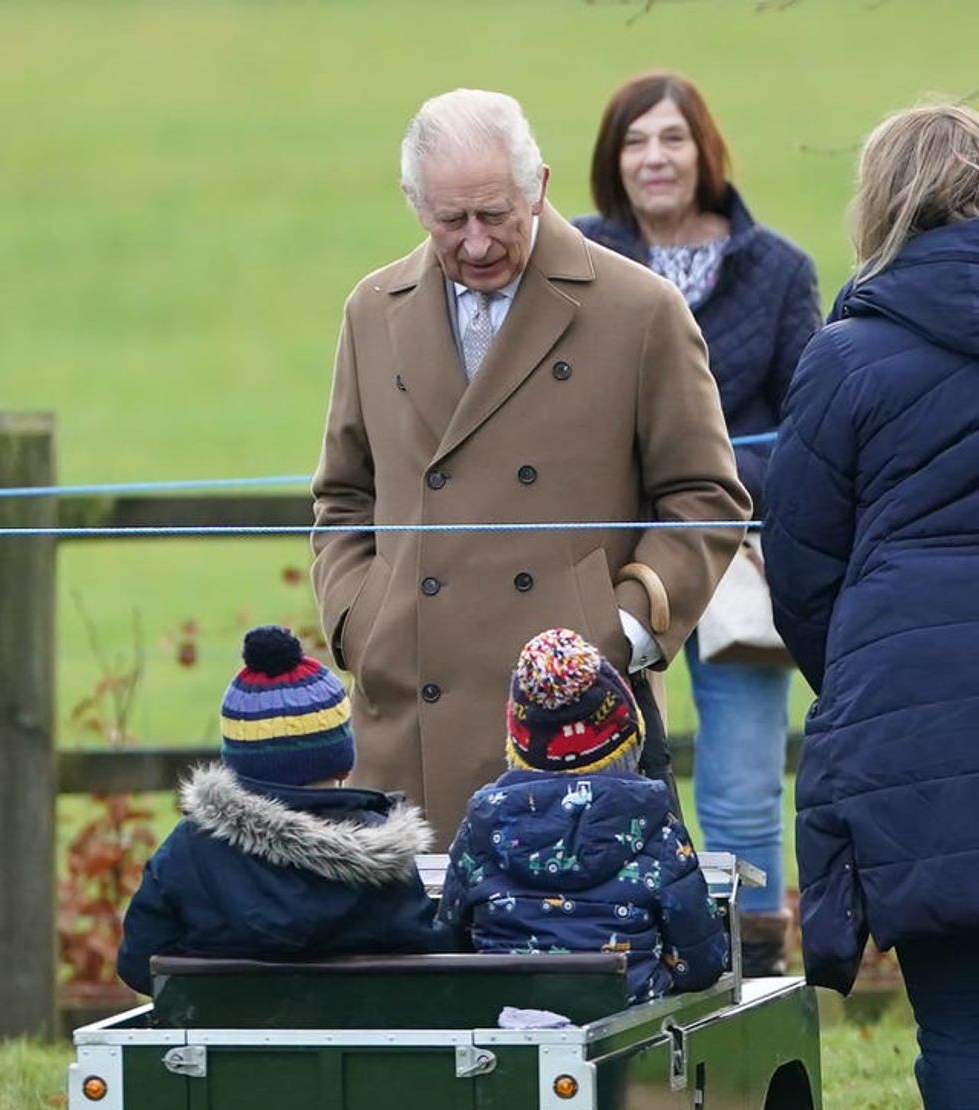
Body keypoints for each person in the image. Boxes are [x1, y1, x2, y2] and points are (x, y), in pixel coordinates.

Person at [310, 87, 751, 851]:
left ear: (538, 187)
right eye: (451, 221)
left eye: (495, 215)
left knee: (564, 924)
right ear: (414, 202)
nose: (477, 244)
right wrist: (362, 620)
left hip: (575, 719)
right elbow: (345, 496)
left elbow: (705, 496)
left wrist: (619, 631)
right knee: (416, 927)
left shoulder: (639, 309)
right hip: (408, 718)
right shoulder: (372, 310)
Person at [762, 103, 979, 1110]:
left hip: (910, 707)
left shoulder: (845, 356)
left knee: (958, 1025)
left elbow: (799, 567)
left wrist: (862, 687)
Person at [573, 73, 822, 977]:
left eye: (672, 138)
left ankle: (750, 981)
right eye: (636, 140)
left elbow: (808, 430)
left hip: (737, 563)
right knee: (597, 776)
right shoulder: (572, 258)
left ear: (705, 150)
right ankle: (615, 962)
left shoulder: (781, 271)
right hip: (606, 561)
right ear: (613, 160)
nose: (655, 158)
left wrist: (702, 489)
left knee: (744, 787)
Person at [117, 626, 438, 993]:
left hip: (220, 1028)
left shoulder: (188, 850)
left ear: (237, 762)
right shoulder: (384, 855)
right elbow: (425, 960)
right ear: (342, 761)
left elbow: (138, 964)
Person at [437, 627, 728, 1002]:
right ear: (629, 739)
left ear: (518, 746)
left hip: (501, 1017)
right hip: (628, 1020)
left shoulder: (479, 829)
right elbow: (701, 962)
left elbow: (450, 943)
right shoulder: (658, 831)